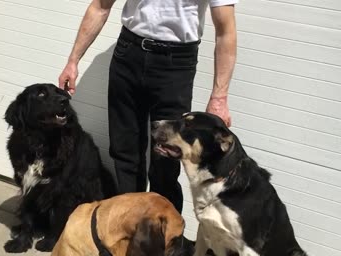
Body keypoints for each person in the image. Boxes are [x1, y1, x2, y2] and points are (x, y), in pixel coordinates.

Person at [58, 0, 237, 213]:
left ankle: (164, 240)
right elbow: (100, 6)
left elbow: (225, 32)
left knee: (166, 160)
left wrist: (219, 98)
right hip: (128, 54)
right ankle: (128, 229)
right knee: (125, 151)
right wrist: (73, 61)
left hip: (176, 64)